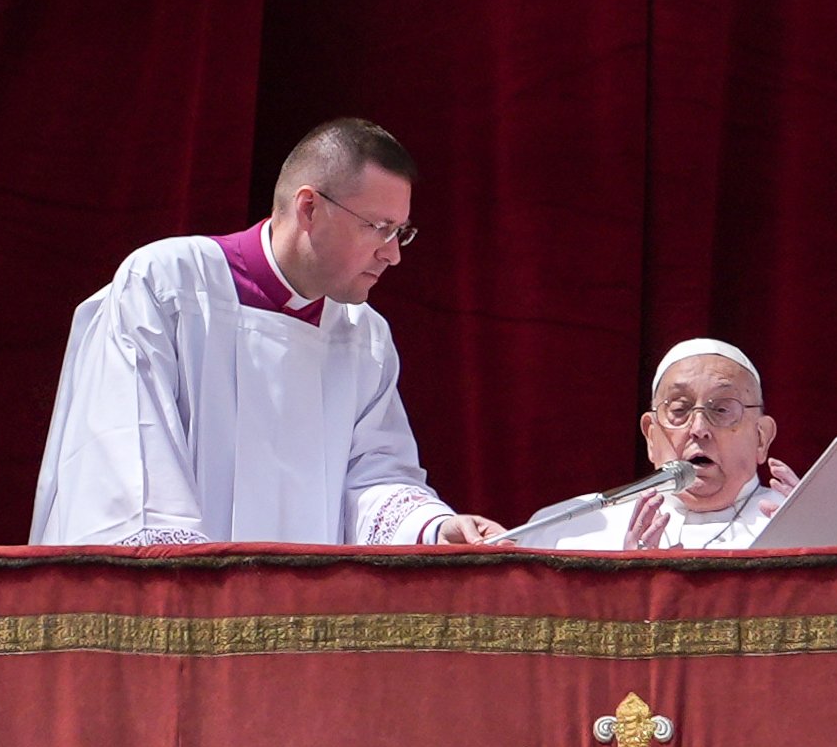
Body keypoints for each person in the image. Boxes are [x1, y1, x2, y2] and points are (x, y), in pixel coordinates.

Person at [30, 118, 503, 546]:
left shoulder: (365, 337)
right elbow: (127, 464)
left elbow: (373, 475)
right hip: (187, 616)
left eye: (401, 232)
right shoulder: (167, 286)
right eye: (379, 228)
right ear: (309, 209)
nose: (392, 254)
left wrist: (434, 527)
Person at [513, 339, 792, 550]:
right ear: (650, 435)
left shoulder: (806, 525)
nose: (698, 429)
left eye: (721, 410)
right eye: (679, 410)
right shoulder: (567, 529)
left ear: (761, 438)